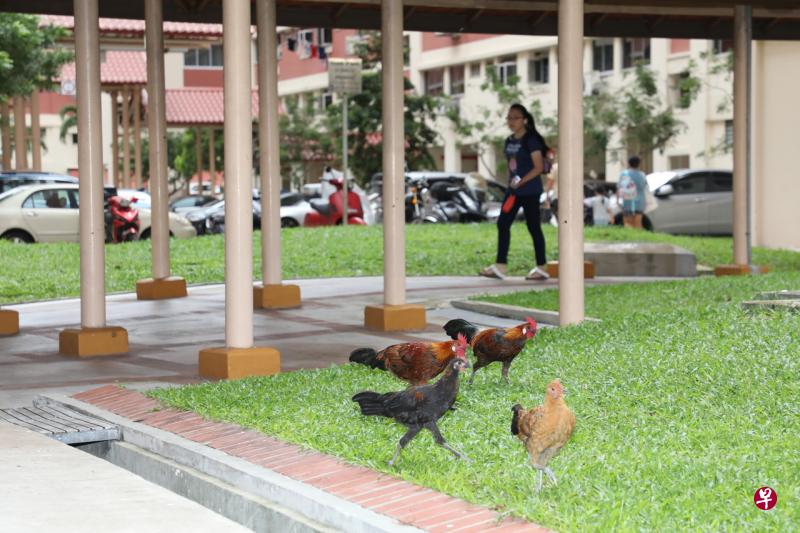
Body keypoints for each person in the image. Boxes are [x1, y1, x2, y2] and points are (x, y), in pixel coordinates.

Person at [480, 103, 549, 281]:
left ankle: (542, 267)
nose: (511, 121)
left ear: (524, 120)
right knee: (503, 223)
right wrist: (513, 183)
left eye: (515, 118)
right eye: (509, 118)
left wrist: (521, 181)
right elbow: (513, 166)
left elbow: (538, 167)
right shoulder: (510, 140)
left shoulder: (531, 140)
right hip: (514, 191)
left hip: (530, 191)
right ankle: (500, 265)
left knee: (533, 227)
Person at [617, 155, 648, 229]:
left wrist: (617, 201)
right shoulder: (642, 175)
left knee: (628, 223)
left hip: (627, 202)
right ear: (639, 164)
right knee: (638, 224)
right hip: (640, 202)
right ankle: (638, 239)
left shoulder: (624, 174)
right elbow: (645, 187)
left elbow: (619, 188)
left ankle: (630, 239)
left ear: (629, 163)